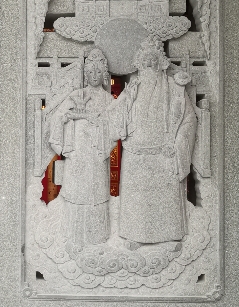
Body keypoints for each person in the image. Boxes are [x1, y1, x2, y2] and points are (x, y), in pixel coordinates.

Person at [116, 36, 196, 245]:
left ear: (161, 62)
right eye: (145, 60)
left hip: (164, 152)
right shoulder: (133, 87)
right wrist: (126, 103)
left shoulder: (174, 87)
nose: (149, 63)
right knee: (138, 199)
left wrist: (178, 142)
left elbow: (189, 119)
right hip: (136, 152)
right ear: (139, 63)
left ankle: (169, 237)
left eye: (153, 59)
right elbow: (116, 115)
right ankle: (135, 236)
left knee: (165, 197)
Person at [49, 47, 116, 252]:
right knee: (76, 193)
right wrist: (67, 119)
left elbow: (115, 128)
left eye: (98, 71)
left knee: (97, 194)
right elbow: (57, 117)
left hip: (97, 153)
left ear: (104, 74)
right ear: (85, 74)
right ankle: (73, 235)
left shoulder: (109, 100)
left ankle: (98, 237)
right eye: (91, 71)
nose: (94, 75)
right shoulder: (76, 95)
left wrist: (100, 130)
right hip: (77, 152)